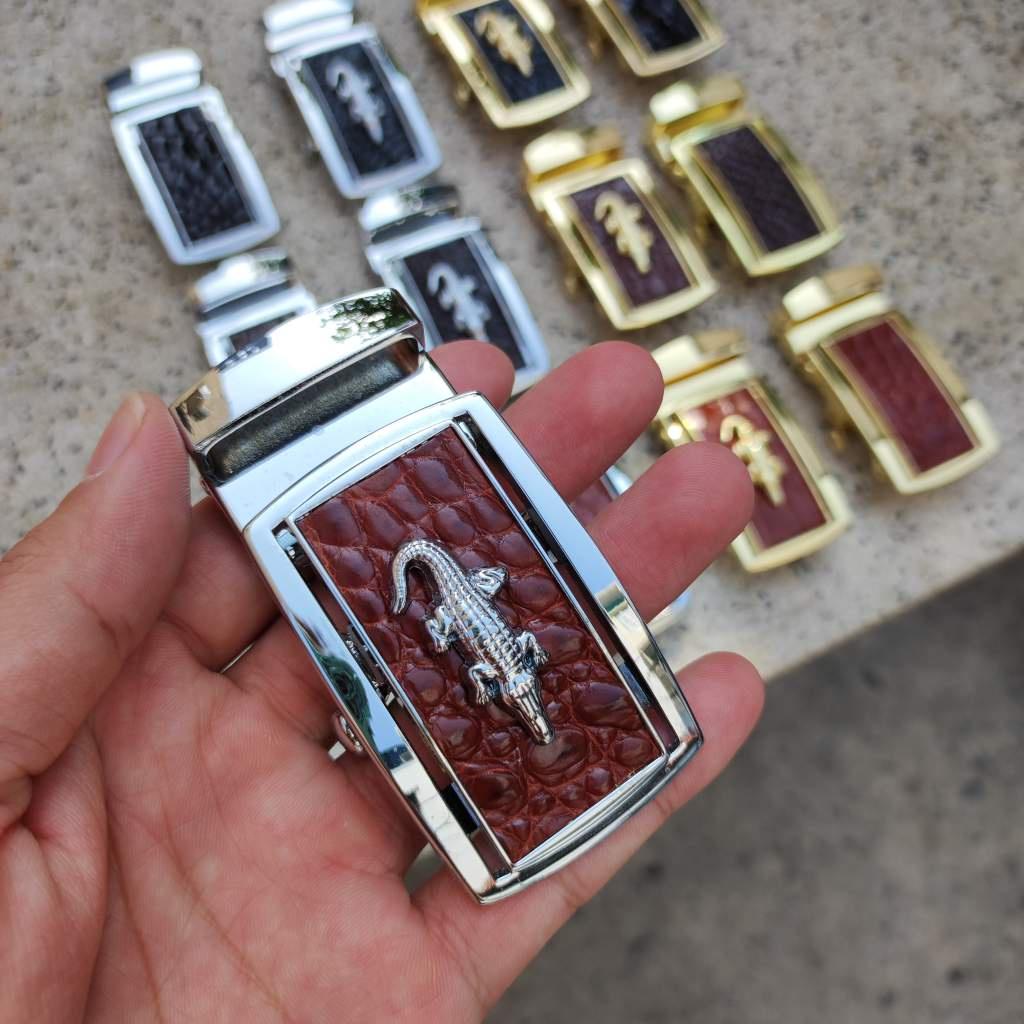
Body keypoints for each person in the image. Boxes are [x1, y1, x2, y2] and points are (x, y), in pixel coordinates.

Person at [0, 340, 764, 1021]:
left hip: (456, 577)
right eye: (527, 711)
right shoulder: (489, 653)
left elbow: (504, 650)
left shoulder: (518, 667)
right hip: (419, 574)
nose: (533, 716)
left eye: (529, 711)